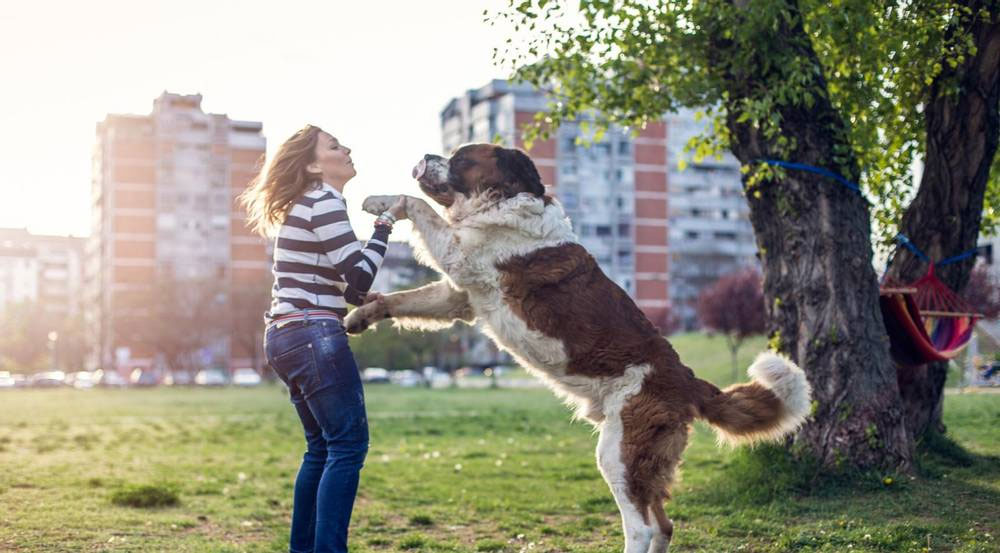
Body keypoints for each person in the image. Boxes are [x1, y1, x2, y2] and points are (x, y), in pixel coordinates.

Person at [239, 124, 404, 553]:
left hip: (285, 334)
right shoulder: (323, 200)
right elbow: (359, 272)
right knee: (348, 446)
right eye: (334, 145)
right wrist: (386, 223)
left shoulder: (306, 204)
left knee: (321, 449)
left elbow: (347, 285)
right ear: (314, 164)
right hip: (313, 334)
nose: (346, 148)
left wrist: (362, 295)